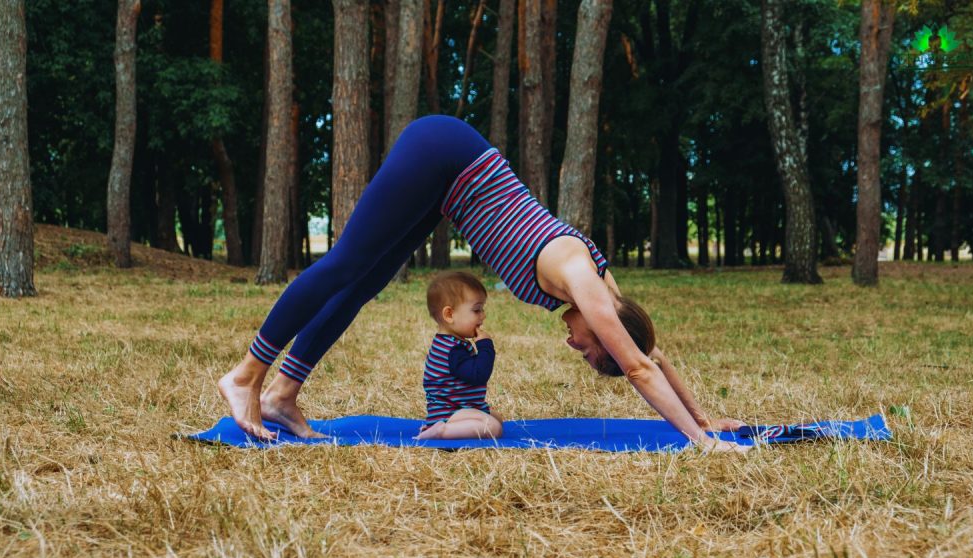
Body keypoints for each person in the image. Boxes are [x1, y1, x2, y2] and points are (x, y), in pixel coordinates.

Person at [217, 115, 748, 453]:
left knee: (361, 284)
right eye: (588, 349)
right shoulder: (585, 282)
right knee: (344, 264)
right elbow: (635, 366)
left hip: (450, 185)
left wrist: (704, 417)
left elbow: (652, 351)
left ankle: (283, 393)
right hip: (445, 154)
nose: (574, 345)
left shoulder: (609, 293)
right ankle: (246, 376)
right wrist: (702, 443)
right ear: (602, 328)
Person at [413, 271, 502, 440]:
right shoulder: (453, 350)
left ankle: (442, 427)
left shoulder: (449, 343)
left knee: (497, 419)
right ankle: (442, 431)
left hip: (458, 407)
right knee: (493, 427)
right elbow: (479, 375)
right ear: (449, 315)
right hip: (450, 412)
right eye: (477, 310)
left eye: (482, 309)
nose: (483, 316)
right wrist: (485, 346)